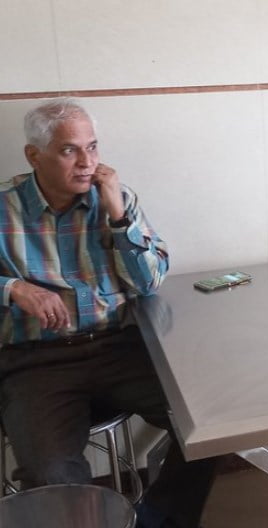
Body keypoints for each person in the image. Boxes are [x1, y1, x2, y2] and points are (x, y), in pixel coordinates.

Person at [0, 98, 218, 528]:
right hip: (36, 361)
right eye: (69, 150)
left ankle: (157, 520)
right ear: (34, 156)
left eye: (93, 147)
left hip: (119, 347)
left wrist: (118, 216)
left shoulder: (116, 198)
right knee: (51, 478)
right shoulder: (5, 207)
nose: (87, 162)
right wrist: (13, 288)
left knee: (212, 426)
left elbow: (149, 282)